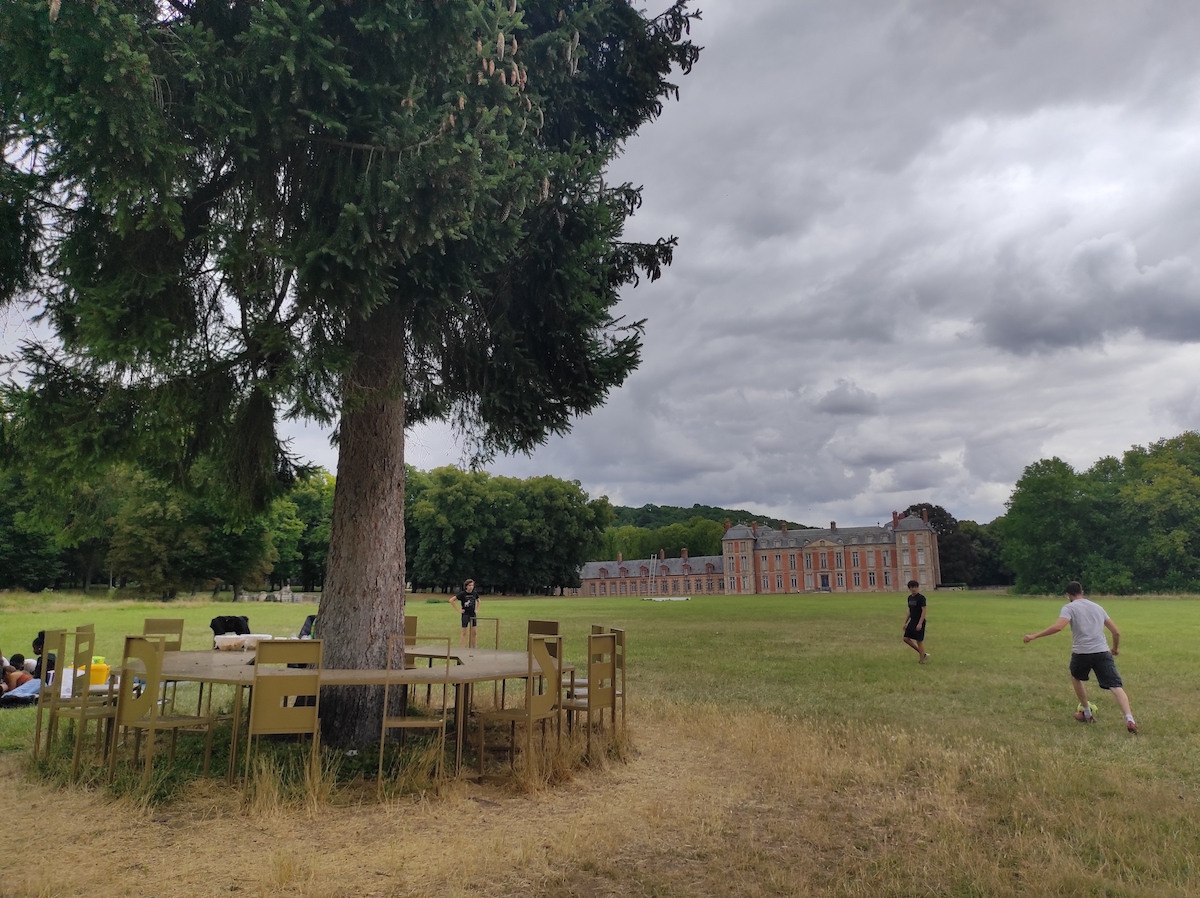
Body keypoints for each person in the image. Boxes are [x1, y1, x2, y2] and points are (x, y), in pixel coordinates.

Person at [1023, 580, 1138, 734]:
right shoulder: (1097, 607)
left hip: (1082, 652)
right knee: (1116, 686)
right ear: (1081, 591)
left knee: (1076, 677)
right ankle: (1130, 719)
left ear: (1068, 595)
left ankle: (1087, 713)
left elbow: (1058, 627)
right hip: (1102, 651)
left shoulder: (1069, 608)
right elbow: (1116, 632)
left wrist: (1034, 636)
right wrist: (1115, 649)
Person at [902, 579, 929, 663]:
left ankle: (922, 660)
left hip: (919, 621)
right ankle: (923, 654)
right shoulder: (910, 598)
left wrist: (920, 623)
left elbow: (924, 610)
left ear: (917, 587)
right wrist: (905, 622)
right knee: (906, 638)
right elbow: (910, 611)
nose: (913, 589)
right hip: (912, 621)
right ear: (909, 588)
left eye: (915, 587)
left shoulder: (921, 598)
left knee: (919, 641)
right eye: (911, 587)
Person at [449, 578, 481, 648]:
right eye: (469, 585)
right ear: (466, 586)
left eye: (472, 585)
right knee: (464, 632)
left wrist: (477, 609)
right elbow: (451, 600)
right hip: (465, 614)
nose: (471, 587)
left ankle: (474, 646)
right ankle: (462, 647)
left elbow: (479, 601)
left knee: (474, 632)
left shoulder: (474, 593)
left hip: (473, 614)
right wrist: (458, 610)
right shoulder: (462, 594)